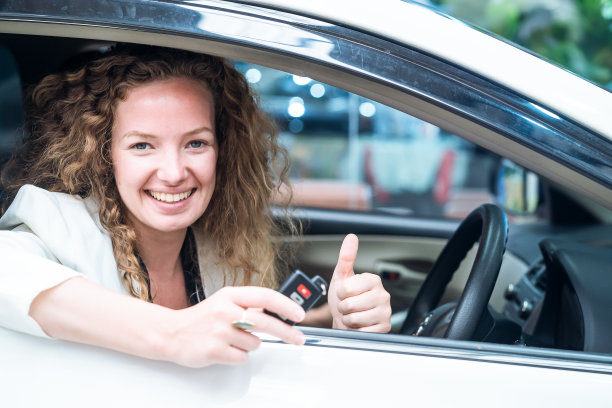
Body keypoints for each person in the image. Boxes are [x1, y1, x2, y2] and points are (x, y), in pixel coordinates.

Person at [0, 44, 391, 368]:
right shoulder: (60, 224)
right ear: (106, 156)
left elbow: (240, 341)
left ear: (222, 150)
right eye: (142, 145)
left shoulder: (221, 246)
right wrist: (171, 333)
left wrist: (340, 326)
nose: (173, 173)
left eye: (196, 143)